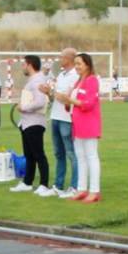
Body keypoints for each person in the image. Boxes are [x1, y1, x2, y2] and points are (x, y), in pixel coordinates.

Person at [58, 52, 102, 203]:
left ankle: (94, 190)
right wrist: (66, 102)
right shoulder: (78, 82)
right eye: (75, 64)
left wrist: (70, 100)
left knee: (91, 157)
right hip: (77, 124)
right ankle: (82, 189)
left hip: (88, 124)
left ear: (87, 65)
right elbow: (72, 104)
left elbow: (88, 103)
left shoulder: (92, 80)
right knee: (81, 157)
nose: (76, 67)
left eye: (79, 64)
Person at [9, 55, 52, 196]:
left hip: (34, 123)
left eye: (23, 64)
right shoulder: (33, 80)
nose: (22, 67)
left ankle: (44, 185)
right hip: (27, 123)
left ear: (29, 65)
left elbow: (40, 101)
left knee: (39, 154)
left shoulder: (38, 80)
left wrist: (24, 107)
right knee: (29, 155)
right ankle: (27, 183)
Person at [46, 48, 80, 198]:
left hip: (67, 118)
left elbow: (66, 97)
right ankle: (58, 185)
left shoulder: (75, 76)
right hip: (55, 116)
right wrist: (49, 93)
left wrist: (55, 94)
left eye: (62, 57)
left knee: (71, 153)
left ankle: (75, 186)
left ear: (69, 58)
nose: (60, 59)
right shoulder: (61, 74)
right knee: (58, 153)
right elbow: (56, 98)